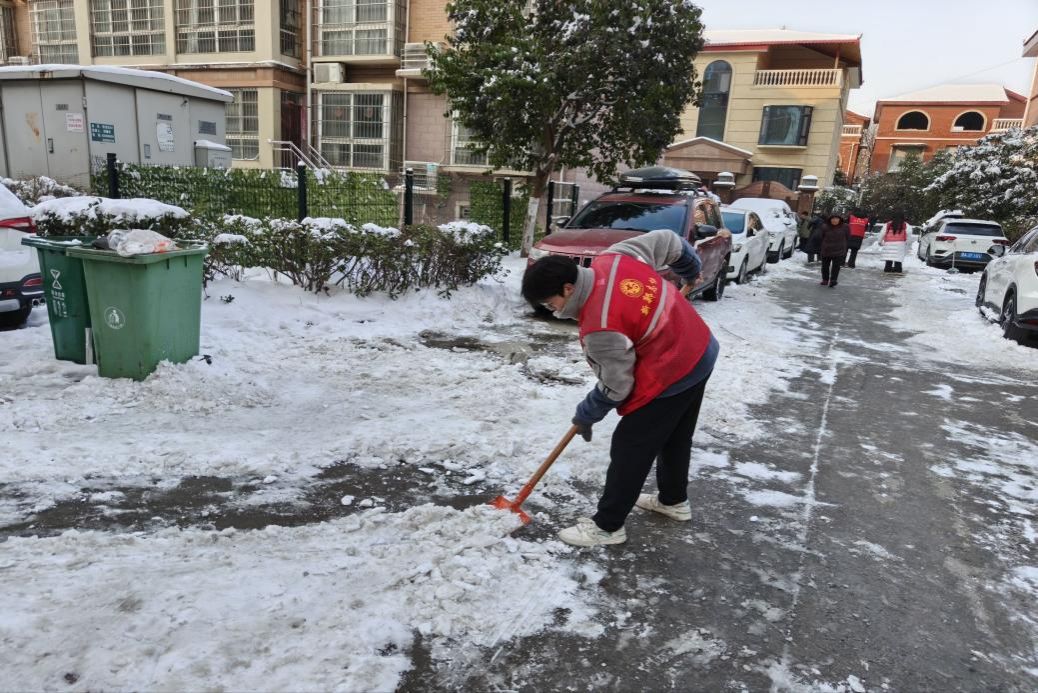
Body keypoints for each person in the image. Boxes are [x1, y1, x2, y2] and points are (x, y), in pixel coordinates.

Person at [521, 229, 721, 547]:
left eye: (550, 302)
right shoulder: (614, 257)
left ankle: (608, 526)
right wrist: (690, 268)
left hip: (674, 367)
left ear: (568, 288)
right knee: (674, 435)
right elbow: (669, 241)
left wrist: (587, 413)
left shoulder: (599, 326)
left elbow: (617, 385)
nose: (552, 310)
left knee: (631, 446)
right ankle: (673, 501)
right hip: (699, 348)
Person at [819, 212, 850, 287]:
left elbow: (848, 237)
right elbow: (821, 237)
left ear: (840, 219)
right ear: (830, 219)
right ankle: (825, 280)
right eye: (833, 219)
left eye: (836, 219)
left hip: (839, 250)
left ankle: (833, 280)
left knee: (836, 267)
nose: (834, 220)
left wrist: (844, 246)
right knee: (825, 266)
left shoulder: (845, 227)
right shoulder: (825, 227)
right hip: (826, 250)